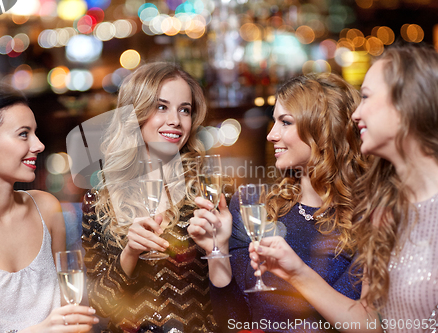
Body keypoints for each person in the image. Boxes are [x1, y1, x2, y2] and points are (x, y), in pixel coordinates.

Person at [249, 44, 438, 333]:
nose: (354, 114)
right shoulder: (388, 210)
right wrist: (297, 273)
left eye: (366, 98)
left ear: (407, 105)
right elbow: (373, 325)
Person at [188, 72, 367, 332]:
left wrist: (298, 274)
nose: (271, 135)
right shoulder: (252, 206)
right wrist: (216, 250)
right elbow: (231, 320)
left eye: (285, 122)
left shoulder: (370, 217)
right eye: (274, 122)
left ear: (324, 128)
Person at [0, 84, 97, 333]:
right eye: (24, 134)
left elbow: (72, 315)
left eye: (35, 132)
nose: (39, 145)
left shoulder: (46, 208)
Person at [81, 62, 219, 332]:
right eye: (161, 107)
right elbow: (101, 305)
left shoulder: (207, 194)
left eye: (185, 110)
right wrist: (130, 253)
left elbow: (232, 290)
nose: (176, 121)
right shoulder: (99, 201)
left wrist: (218, 247)